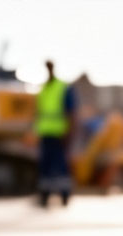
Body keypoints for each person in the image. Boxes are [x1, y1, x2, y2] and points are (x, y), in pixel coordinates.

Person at [35, 60, 76, 207]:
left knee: (60, 166)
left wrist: (69, 133)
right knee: (45, 166)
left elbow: (71, 113)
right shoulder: (44, 89)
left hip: (59, 134)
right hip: (45, 133)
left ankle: (64, 195)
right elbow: (39, 113)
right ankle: (45, 195)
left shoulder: (62, 88)